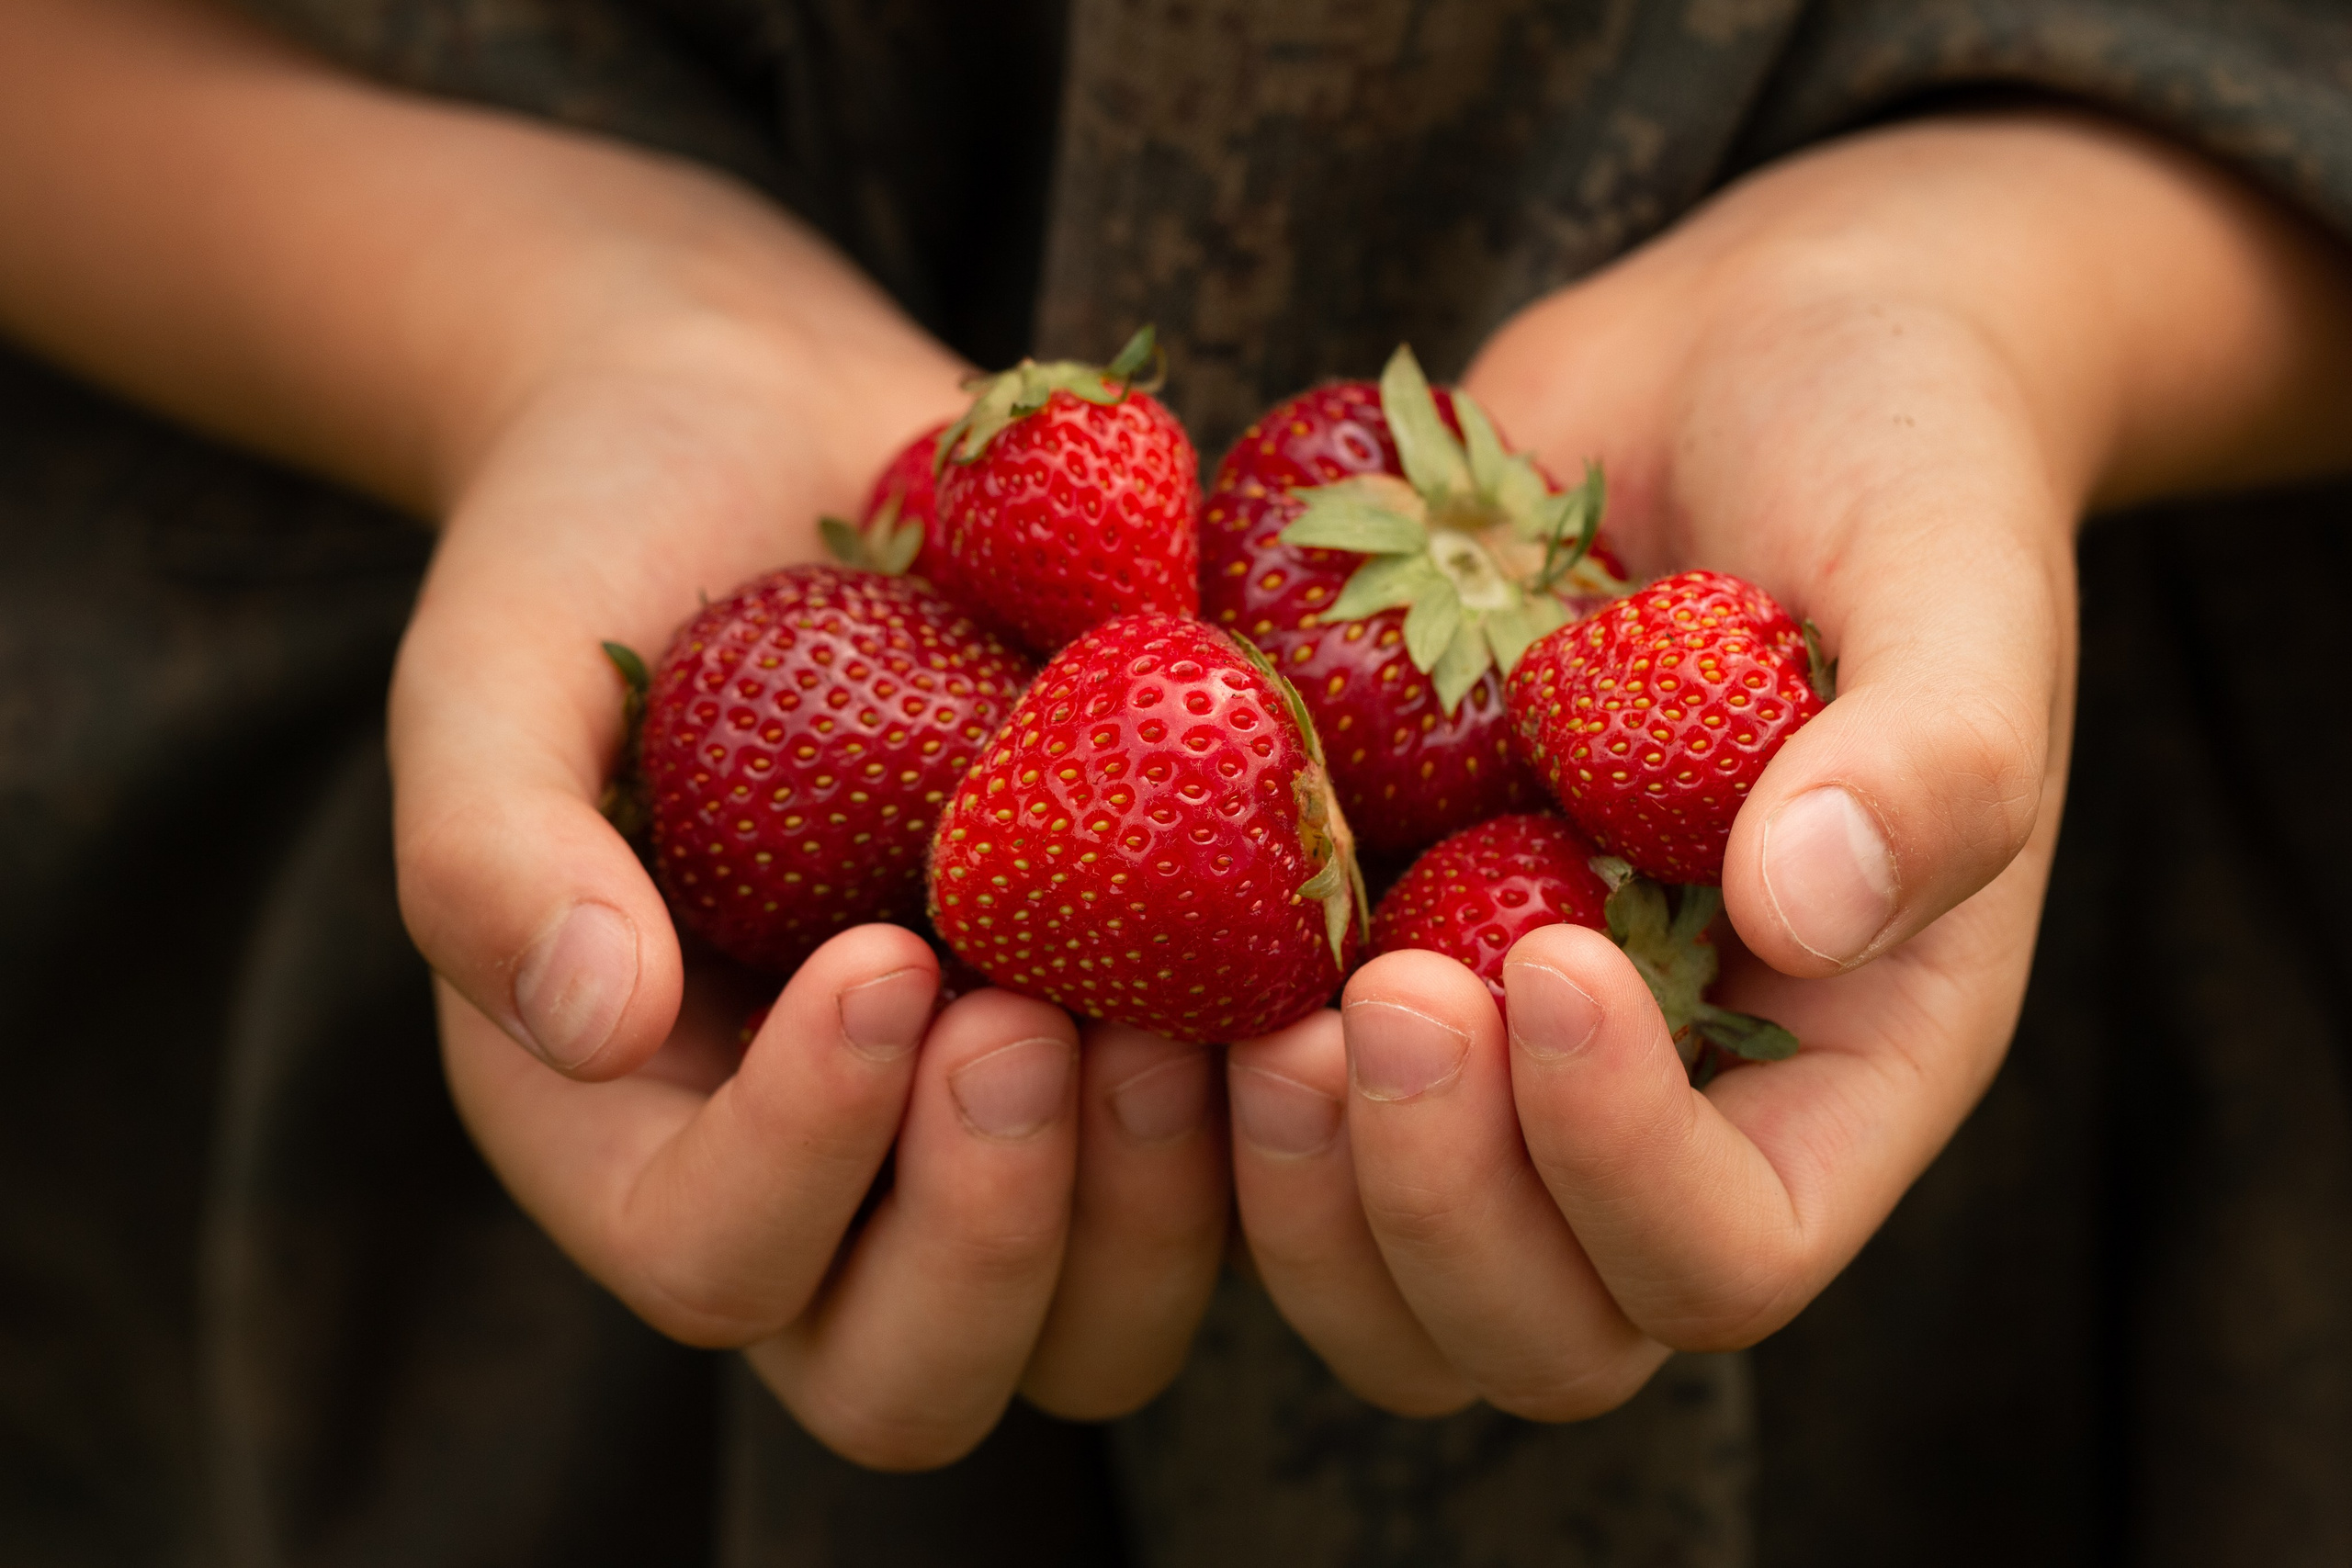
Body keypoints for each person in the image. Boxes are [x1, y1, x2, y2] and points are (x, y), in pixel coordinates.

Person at [4, 0, 2351, 1562]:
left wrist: (2004, 294)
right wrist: (546, 317)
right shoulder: (1199, 695)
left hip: (2143, 988)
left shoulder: (1398, 710)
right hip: (289, 720)